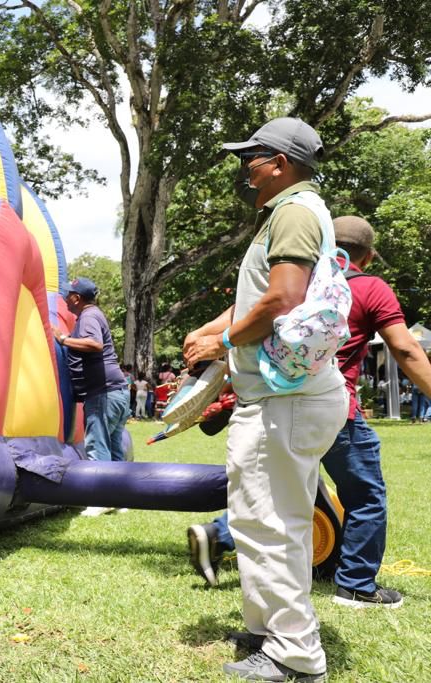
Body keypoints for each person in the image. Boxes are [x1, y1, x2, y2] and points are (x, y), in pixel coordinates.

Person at [188, 215, 431, 619]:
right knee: (365, 496)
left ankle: (219, 533)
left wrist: (205, 339)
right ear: (368, 257)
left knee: (284, 493)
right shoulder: (371, 287)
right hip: (336, 409)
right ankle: (355, 586)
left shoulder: (292, 280)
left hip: (280, 403)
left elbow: (237, 318)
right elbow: (405, 350)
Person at [182, 118, 348, 682]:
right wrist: (212, 328)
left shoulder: (294, 212)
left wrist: (224, 341)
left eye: (249, 157)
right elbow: (262, 294)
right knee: (263, 520)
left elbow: (283, 298)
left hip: (287, 400)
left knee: (272, 524)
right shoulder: (286, 213)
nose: (243, 168)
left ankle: (294, 656)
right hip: (284, 397)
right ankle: (264, 628)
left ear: (278, 162)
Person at [53, 277, 129, 462]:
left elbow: (95, 343)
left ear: (77, 298)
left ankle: (102, 491)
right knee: (115, 452)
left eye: (68, 294)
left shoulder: (89, 316)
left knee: (98, 450)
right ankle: (120, 491)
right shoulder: (94, 314)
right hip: (117, 391)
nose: (65, 298)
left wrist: (63, 339)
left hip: (104, 394)